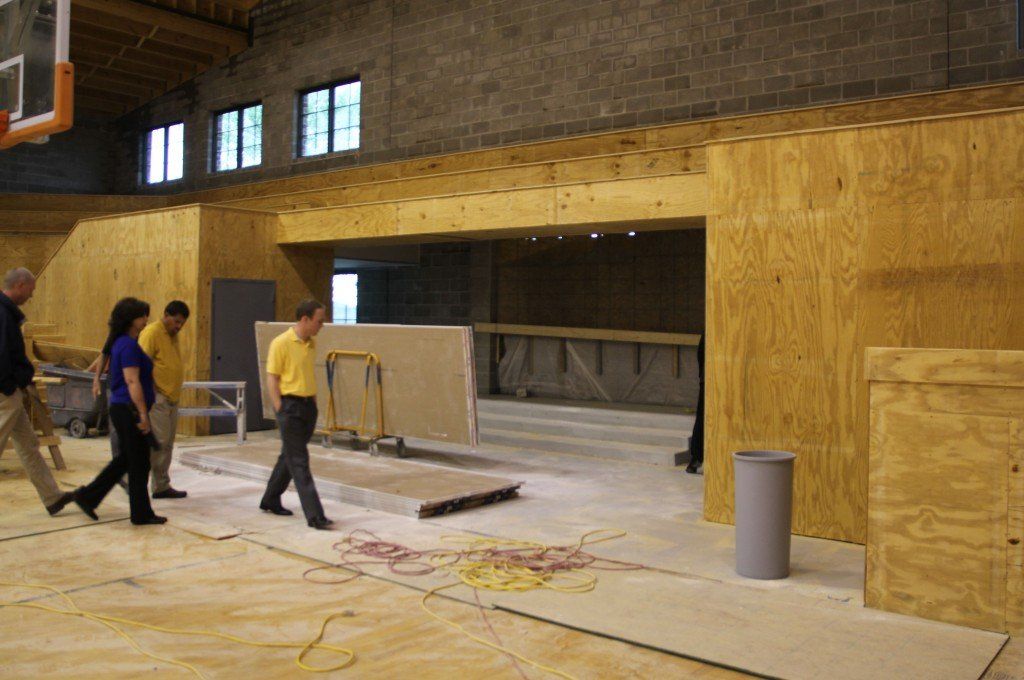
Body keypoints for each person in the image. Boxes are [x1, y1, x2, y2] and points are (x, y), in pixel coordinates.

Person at [74, 297, 166, 525]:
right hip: (128, 410)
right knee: (139, 462)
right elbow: (132, 381)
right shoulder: (127, 345)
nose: (145, 320)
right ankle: (141, 513)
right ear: (131, 319)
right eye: (142, 316)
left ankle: (88, 496)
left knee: (126, 460)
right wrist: (143, 415)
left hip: (124, 409)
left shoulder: (123, 343)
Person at [0, 268, 78, 516]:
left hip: (12, 391)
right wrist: (9, 386)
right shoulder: (2, 313)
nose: (31, 296)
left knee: (28, 445)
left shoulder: (7, 312)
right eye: (31, 291)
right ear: (21, 285)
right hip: (5, 392)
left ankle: (52, 497)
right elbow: (1, 354)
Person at [259, 299, 333, 530]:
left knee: (289, 456)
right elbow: (272, 377)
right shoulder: (280, 343)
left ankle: (270, 498)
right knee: (300, 461)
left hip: (307, 407)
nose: (322, 325)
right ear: (305, 319)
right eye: (319, 321)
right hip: (289, 407)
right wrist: (279, 407)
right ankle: (315, 515)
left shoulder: (310, 344)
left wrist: (313, 402)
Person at [138, 300, 189, 499]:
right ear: (165, 315)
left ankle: (161, 485)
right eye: (175, 322)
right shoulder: (152, 333)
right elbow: (142, 364)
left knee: (167, 443)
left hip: (171, 397)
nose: (178, 327)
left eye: (182, 324)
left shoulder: (172, 335)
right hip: (157, 396)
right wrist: (150, 395)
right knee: (158, 443)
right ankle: (147, 484)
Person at [686, 333, 705, 475]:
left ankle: (696, 459)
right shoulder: (711, 329)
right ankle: (696, 458)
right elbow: (701, 353)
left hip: (707, 378)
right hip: (709, 379)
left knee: (702, 418)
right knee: (702, 419)